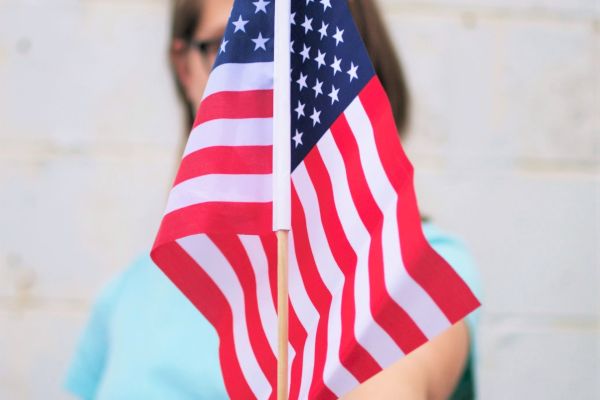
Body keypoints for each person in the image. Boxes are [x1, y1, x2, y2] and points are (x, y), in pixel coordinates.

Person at [64, 0, 483, 398]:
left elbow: (391, 383)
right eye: (235, 46)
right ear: (185, 69)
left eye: (300, 47)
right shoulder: (128, 292)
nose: (273, 79)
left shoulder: (411, 264)